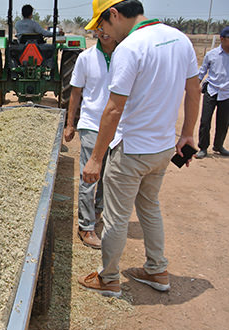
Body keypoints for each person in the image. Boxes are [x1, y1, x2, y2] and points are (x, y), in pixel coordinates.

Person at [77, 0, 201, 297]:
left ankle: (108, 278)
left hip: (131, 149)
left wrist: (95, 159)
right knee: (149, 208)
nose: (104, 33)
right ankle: (157, 270)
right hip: (162, 148)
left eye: (103, 25)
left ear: (115, 15)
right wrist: (187, 134)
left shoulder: (130, 48)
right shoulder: (179, 39)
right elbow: (194, 90)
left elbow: (113, 110)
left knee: (117, 217)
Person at [64, 28, 118, 249]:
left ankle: (97, 211)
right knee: (89, 175)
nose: (104, 33)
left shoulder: (125, 55)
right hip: (91, 123)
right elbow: (75, 93)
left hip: (116, 126)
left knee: (108, 175)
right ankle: (86, 226)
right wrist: (70, 124)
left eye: (109, 28)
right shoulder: (85, 58)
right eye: (100, 29)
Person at [196, 26, 229, 159]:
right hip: (212, 91)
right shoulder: (212, 54)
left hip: (227, 94)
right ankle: (203, 148)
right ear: (222, 39)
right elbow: (202, 72)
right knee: (205, 120)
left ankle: (218, 146)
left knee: (223, 122)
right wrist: (193, 87)